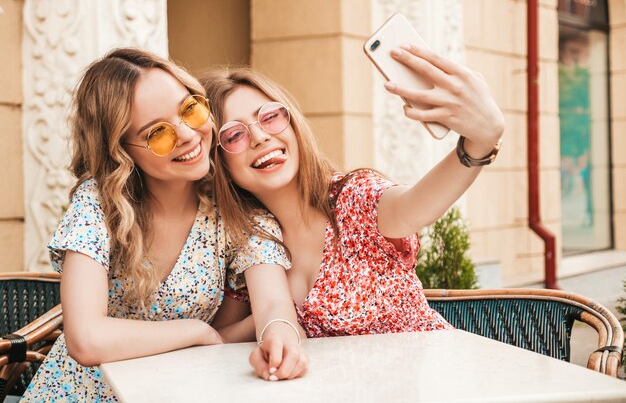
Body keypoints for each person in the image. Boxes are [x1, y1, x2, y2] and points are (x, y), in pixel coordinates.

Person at [22, 48, 306, 402]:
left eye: (189, 109)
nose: (187, 134)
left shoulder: (233, 210)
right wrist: (195, 332)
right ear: (121, 150)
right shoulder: (98, 204)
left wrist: (279, 333)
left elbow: (274, 305)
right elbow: (85, 339)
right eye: (158, 132)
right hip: (80, 394)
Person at [200, 44, 505, 373]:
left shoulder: (351, 198)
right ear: (220, 162)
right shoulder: (253, 238)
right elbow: (221, 337)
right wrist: (270, 319)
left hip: (429, 380)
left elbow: (416, 205)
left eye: (270, 117)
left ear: (293, 124)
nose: (260, 136)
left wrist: (478, 145)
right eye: (234, 135)